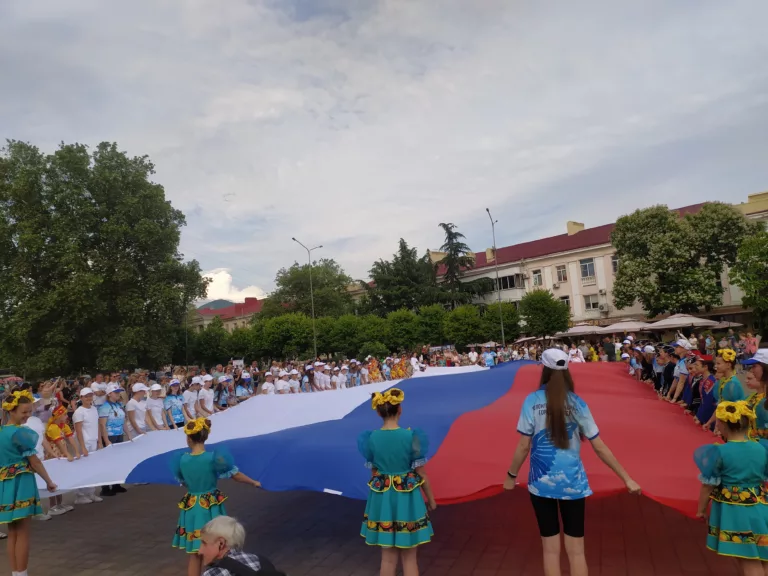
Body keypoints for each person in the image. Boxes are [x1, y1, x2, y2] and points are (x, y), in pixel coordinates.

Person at [504, 348, 641, 576]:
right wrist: (627, 479)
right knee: (577, 551)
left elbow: (523, 446)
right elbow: (599, 446)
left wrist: (511, 476)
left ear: (544, 369)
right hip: (573, 484)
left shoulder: (531, 401)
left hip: (540, 484)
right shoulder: (578, 403)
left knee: (550, 550)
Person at [358, 388, 436, 576]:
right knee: (409, 558)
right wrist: (431, 500)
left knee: (387, 558)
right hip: (407, 499)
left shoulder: (371, 438)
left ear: (378, 413)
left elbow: (374, 473)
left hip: (383, 499)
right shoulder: (411, 437)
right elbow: (422, 474)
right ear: (400, 409)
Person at [171, 417, 261, 576]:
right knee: (218, 544)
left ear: (189, 438)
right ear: (205, 437)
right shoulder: (213, 458)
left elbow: (185, 482)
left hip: (191, 507)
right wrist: (253, 482)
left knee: (195, 552)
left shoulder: (182, 459)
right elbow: (235, 475)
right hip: (210, 506)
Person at [694, 401, 768, 574]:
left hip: (736, 511)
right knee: (763, 554)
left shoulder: (720, 452)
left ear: (723, 425)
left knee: (748, 557)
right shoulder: (761, 448)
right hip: (762, 506)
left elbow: (707, 486)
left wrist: (701, 510)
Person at [0, 390, 58, 576]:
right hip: (22, 482)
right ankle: (22, 573)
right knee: (23, 533)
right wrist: (49, 481)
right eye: (24, 412)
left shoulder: (2, 432)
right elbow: (35, 461)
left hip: (6, 485)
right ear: (12, 411)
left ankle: (16, 573)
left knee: (13, 532)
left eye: (30, 411)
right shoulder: (20, 433)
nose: (27, 415)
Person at [72, 387, 104, 504]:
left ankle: (90, 492)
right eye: (86, 396)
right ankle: (79, 495)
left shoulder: (94, 409)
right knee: (82, 469)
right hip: (84, 443)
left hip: (93, 441)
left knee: (92, 468)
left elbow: (97, 426)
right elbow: (78, 430)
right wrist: (83, 447)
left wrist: (99, 441)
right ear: (81, 398)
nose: (89, 398)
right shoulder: (79, 412)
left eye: (90, 395)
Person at [97, 383, 129, 497]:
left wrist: (128, 434)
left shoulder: (119, 405)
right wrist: (106, 440)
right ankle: (105, 487)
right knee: (107, 462)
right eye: (115, 393)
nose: (118, 394)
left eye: (118, 392)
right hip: (109, 436)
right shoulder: (104, 407)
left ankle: (116, 485)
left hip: (119, 434)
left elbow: (123, 421)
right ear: (109, 394)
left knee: (117, 461)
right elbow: (102, 425)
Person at [702, 348, 746, 431]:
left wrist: (720, 427)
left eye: (718, 363)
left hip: (731, 428)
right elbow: (721, 406)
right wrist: (710, 422)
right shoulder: (723, 381)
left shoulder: (732, 384)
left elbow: (733, 412)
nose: (716, 366)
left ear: (728, 365)